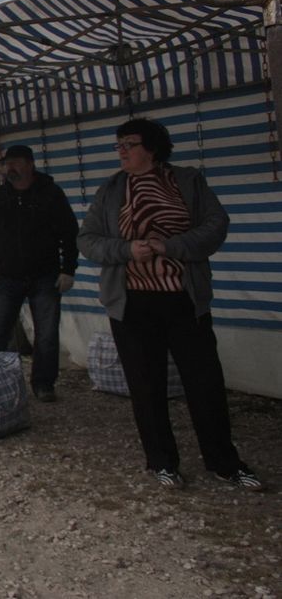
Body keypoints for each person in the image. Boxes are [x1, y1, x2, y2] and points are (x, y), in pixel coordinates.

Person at [77, 118, 263, 491]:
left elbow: (216, 225)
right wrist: (127, 250)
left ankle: (224, 462)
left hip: (183, 301)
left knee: (205, 384)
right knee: (146, 387)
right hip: (131, 305)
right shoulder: (111, 190)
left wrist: (171, 246)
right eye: (118, 145)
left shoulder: (188, 181)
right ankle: (162, 461)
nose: (122, 151)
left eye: (128, 143)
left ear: (153, 147)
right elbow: (88, 240)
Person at [0, 144, 79, 402]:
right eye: (7, 164)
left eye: (17, 163)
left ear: (30, 165)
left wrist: (68, 270)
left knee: (47, 335)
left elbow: (69, 233)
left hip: (45, 276)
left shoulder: (51, 194)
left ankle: (44, 384)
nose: (11, 168)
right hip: (7, 277)